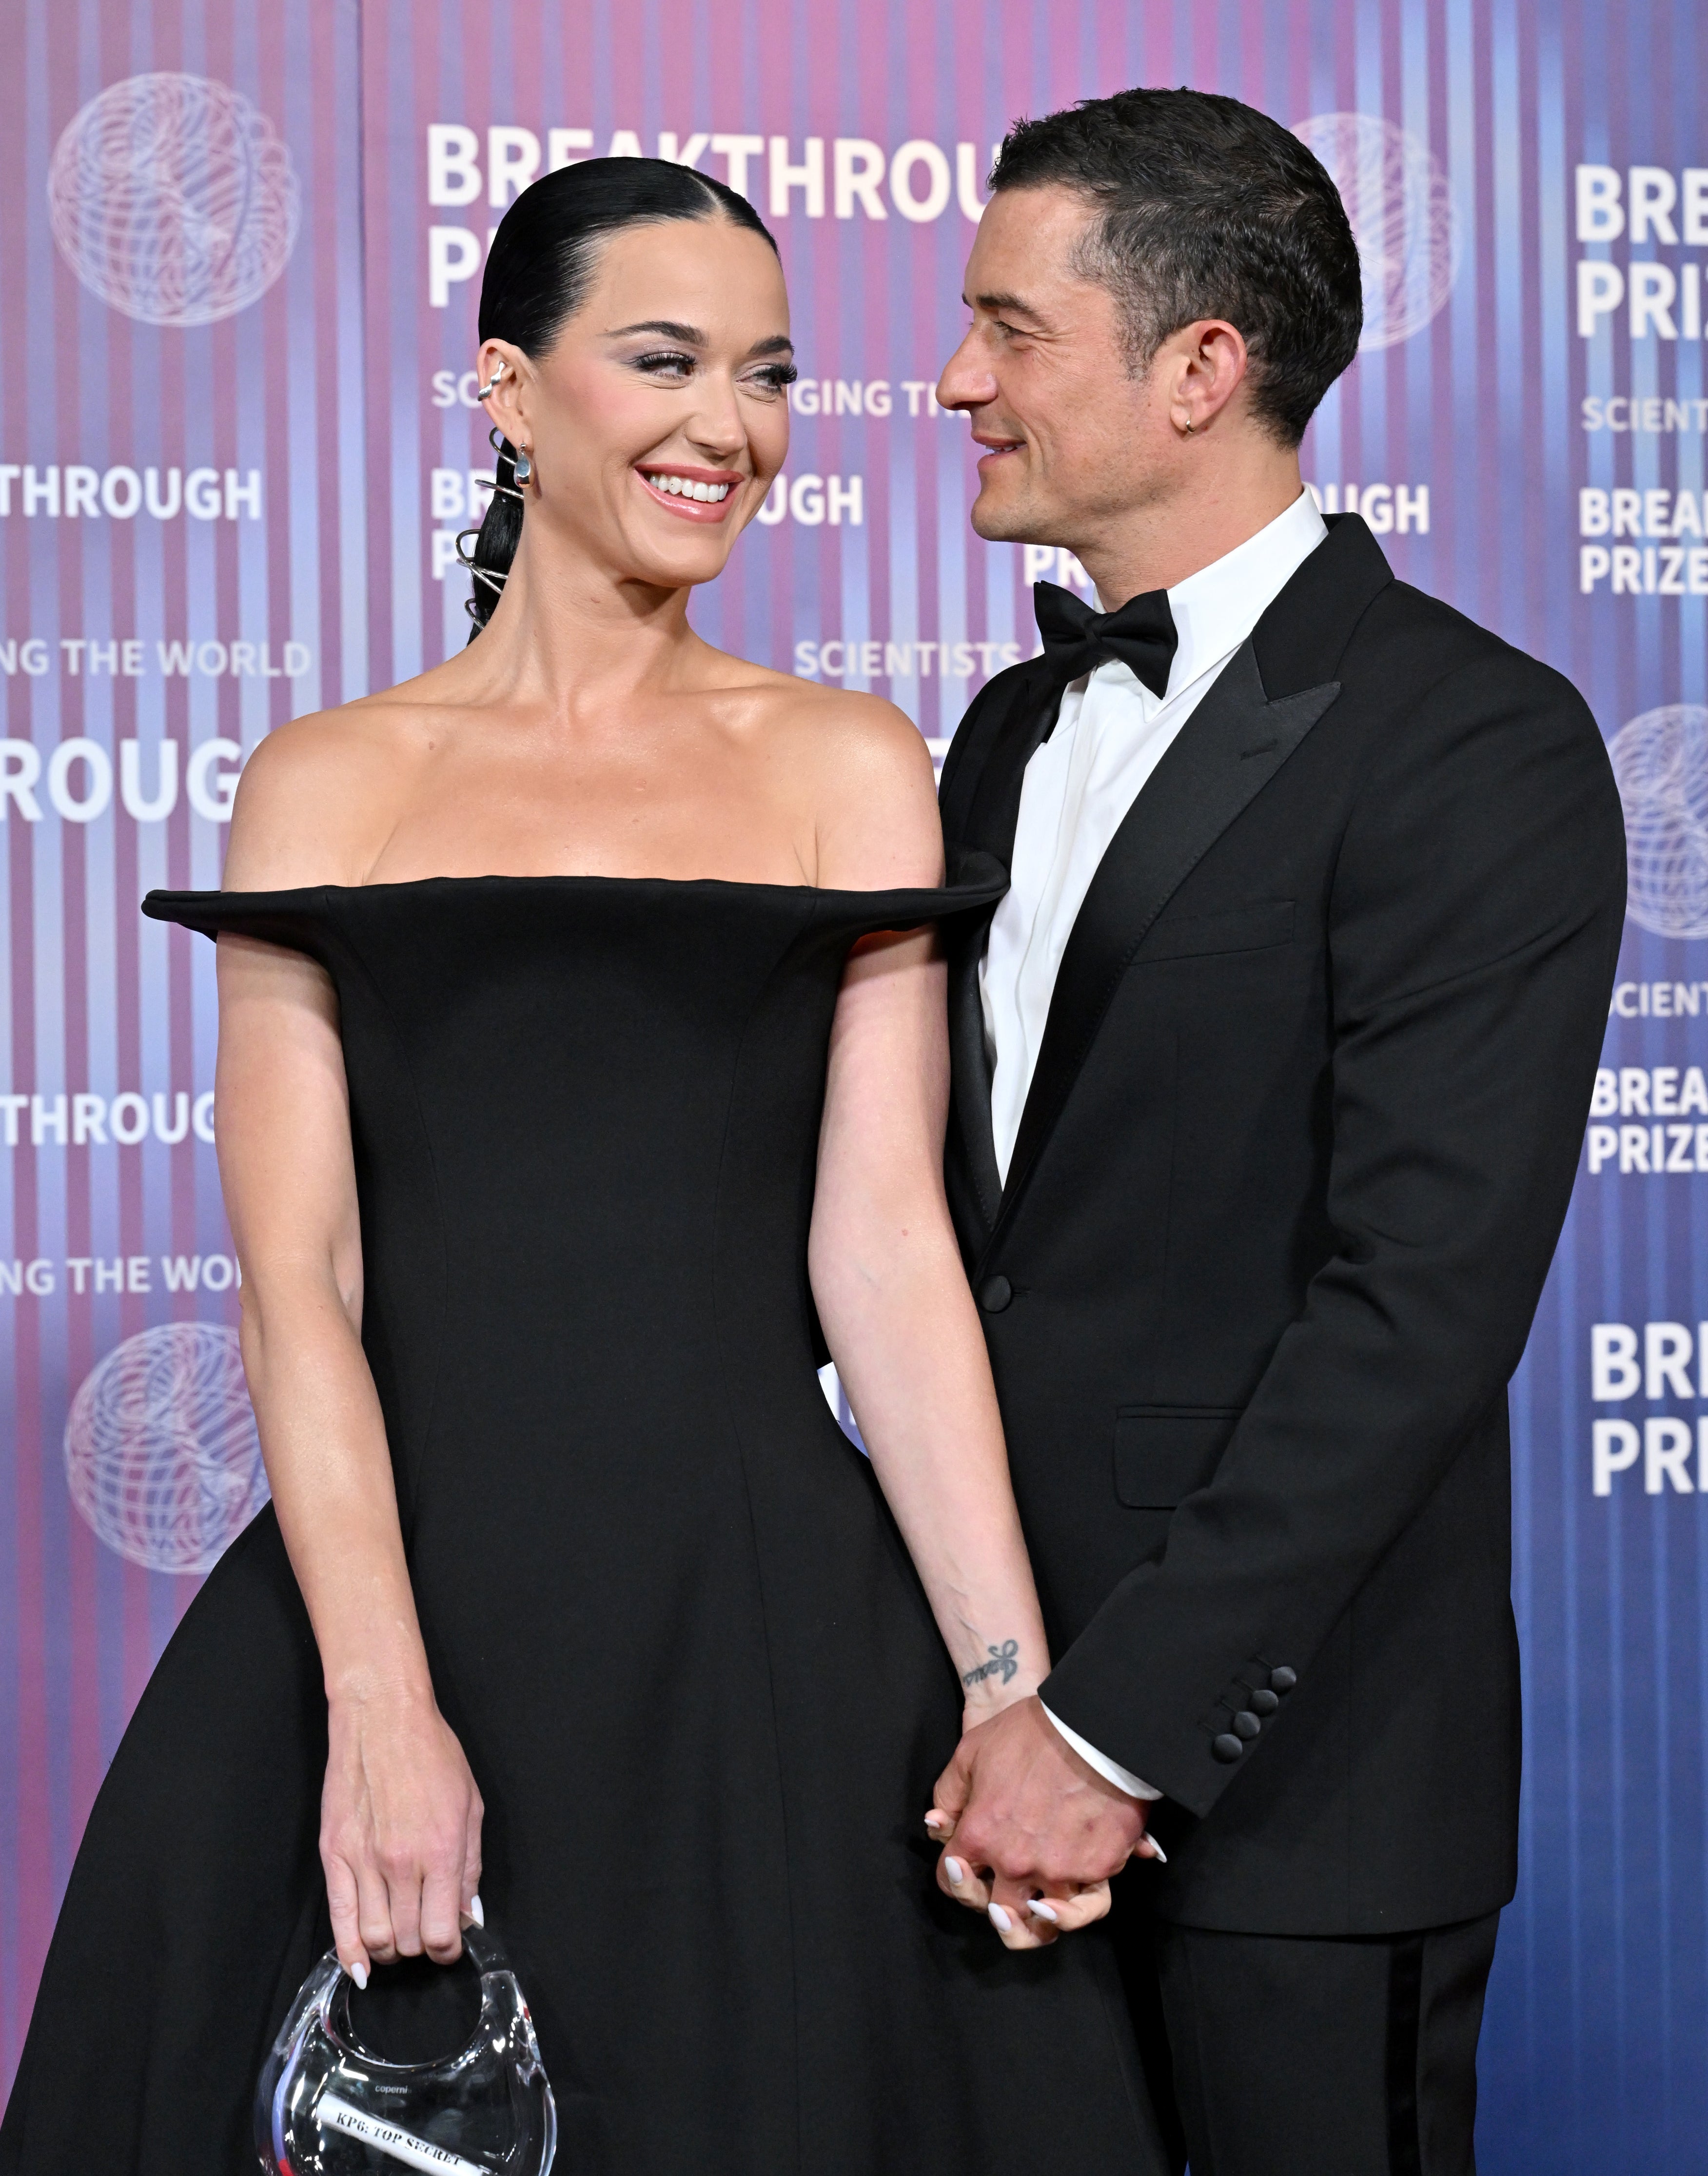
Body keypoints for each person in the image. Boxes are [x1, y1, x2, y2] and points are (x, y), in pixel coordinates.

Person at [0, 159, 1169, 2175]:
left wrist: (1012, 1693)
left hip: (759, 1640)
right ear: (510, 393)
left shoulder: (845, 767)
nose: (731, 427)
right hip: (398, 1593)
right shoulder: (330, 784)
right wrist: (380, 1711)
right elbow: (302, 1281)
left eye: (772, 374)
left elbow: (885, 1254)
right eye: (665, 361)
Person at [923, 88, 1627, 2176]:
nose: (958, 377)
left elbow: (1413, 1312)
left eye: (1009, 327)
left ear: (1201, 367)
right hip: (967, 1769)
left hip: (1290, 1786)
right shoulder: (1006, 730)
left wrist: (1111, 1729)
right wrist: (993, 1703)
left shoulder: (1471, 741)